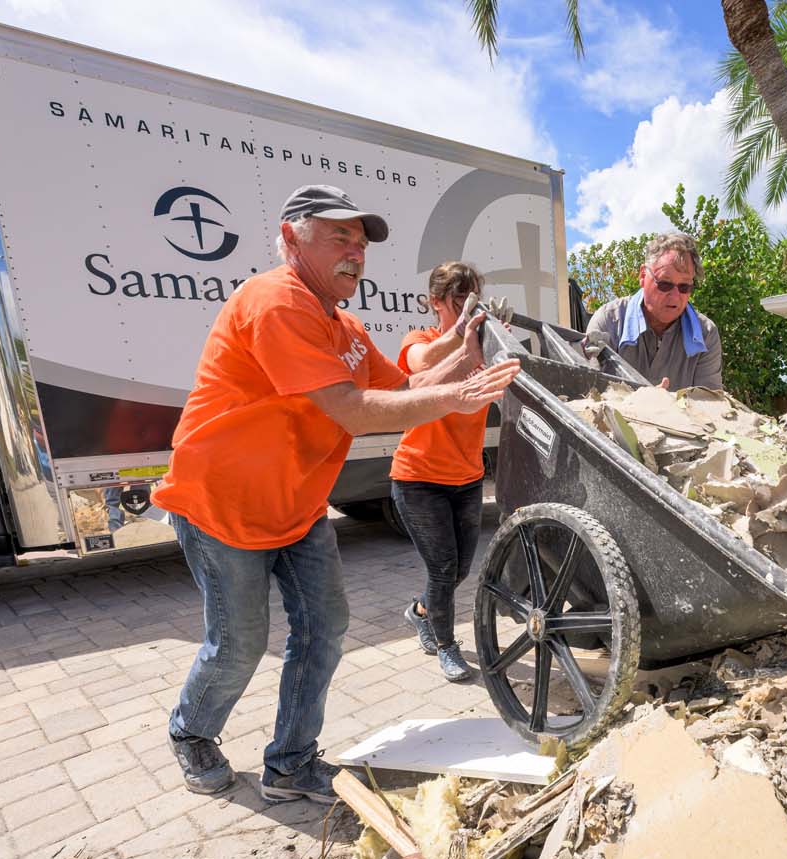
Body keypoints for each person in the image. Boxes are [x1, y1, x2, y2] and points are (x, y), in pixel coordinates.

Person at [152, 184, 520, 803]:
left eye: (362, 242)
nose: (355, 252)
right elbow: (351, 409)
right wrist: (458, 397)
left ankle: (291, 763)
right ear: (293, 235)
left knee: (324, 629)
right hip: (222, 508)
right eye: (339, 237)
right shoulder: (276, 301)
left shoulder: (342, 325)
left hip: (297, 510)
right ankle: (192, 731)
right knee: (240, 643)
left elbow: (406, 382)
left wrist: (467, 350)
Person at [390, 262, 491, 683]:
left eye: (473, 300)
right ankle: (447, 645)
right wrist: (460, 337)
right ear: (436, 303)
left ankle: (420, 611)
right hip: (419, 479)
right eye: (459, 302)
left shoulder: (484, 345)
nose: (468, 309)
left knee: (460, 569)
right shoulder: (422, 340)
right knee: (443, 568)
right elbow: (421, 371)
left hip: (467, 478)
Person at [585, 232, 723, 390]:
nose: (675, 296)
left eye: (684, 287)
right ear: (643, 276)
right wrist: (646, 403)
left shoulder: (706, 334)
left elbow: (709, 406)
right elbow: (590, 394)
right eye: (665, 284)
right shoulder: (608, 321)